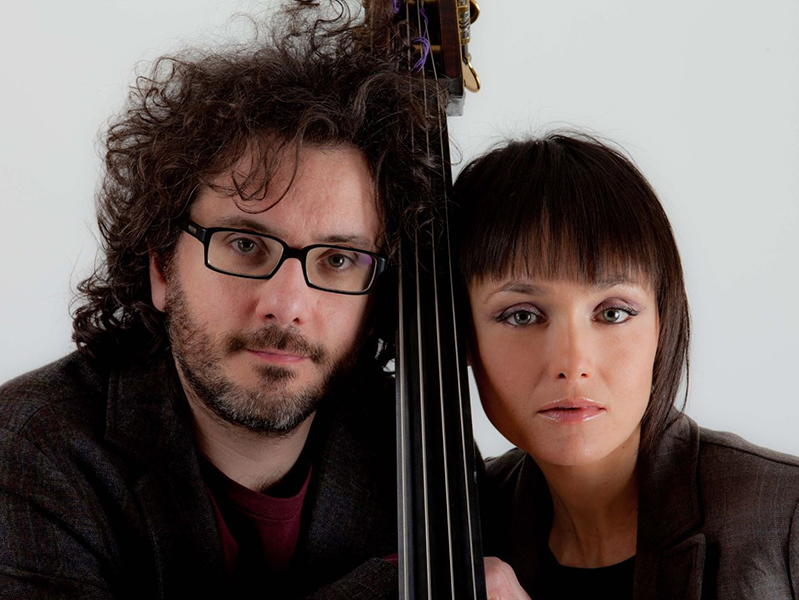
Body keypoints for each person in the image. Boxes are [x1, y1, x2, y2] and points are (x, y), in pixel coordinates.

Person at [0, 4, 443, 598]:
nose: (286, 304)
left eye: (338, 259)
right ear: (161, 266)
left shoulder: (420, 456)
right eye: (245, 245)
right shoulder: (32, 448)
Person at [453, 133, 799, 599]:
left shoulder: (786, 516)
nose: (572, 364)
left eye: (613, 313)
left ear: (663, 323)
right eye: (522, 316)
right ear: (462, 336)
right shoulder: (464, 522)